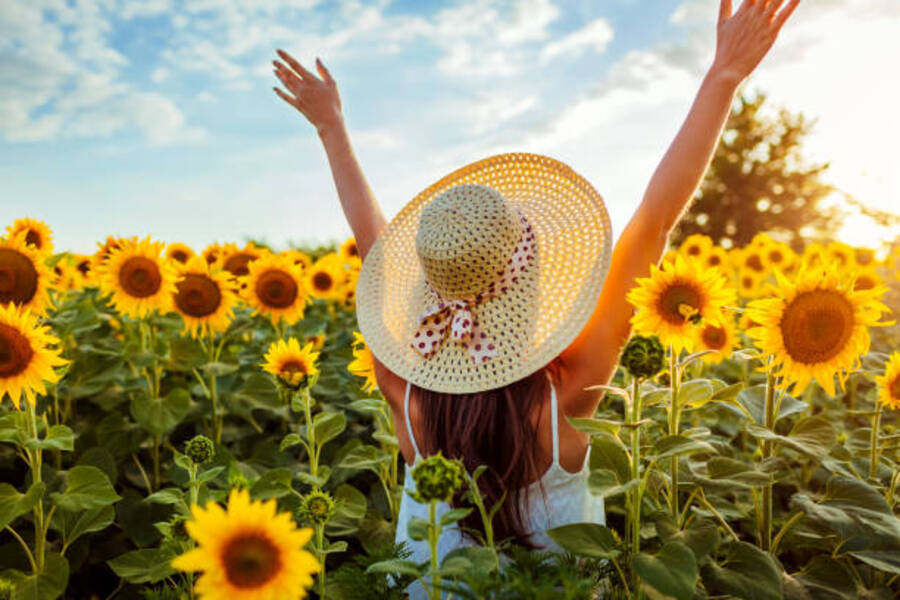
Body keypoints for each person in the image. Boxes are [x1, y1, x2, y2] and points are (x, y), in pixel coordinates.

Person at [272, 1, 800, 596]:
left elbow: (376, 251)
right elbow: (652, 225)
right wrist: (722, 77)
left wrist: (331, 130)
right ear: (532, 287)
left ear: (428, 283)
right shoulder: (566, 396)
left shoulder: (406, 394)